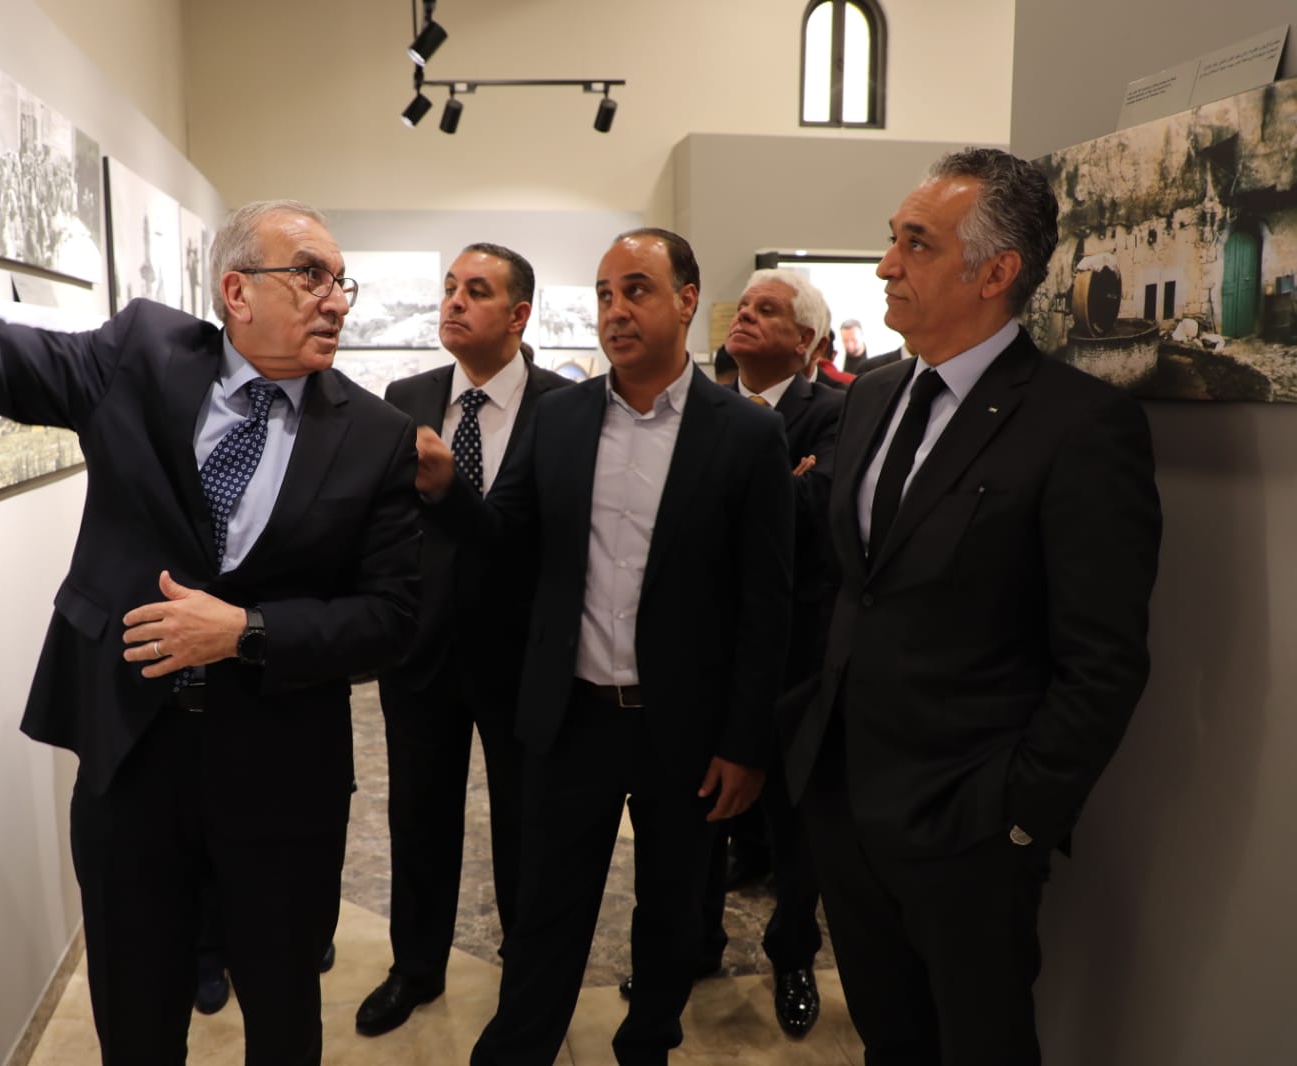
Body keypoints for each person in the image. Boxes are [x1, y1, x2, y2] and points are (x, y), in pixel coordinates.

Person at [0, 14, 421, 1066]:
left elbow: (393, 618)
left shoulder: (373, 436)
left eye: (342, 282)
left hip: (281, 773)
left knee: (284, 1017)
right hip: (131, 758)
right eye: (312, 275)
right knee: (134, 1020)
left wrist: (247, 631)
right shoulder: (139, 358)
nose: (337, 300)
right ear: (236, 291)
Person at [785, 147, 1162, 1064]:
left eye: (916, 244)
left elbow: (1103, 658)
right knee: (889, 1041)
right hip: (843, 800)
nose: (886, 265)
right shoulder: (874, 396)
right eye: (892, 239)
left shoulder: (1080, 425)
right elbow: (851, 581)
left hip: (969, 827)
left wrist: (1017, 818)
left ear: (995, 274)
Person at [417, 227, 795, 1066]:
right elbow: (505, 536)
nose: (615, 310)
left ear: (687, 301)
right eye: (603, 294)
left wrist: (745, 742)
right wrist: (448, 493)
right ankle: (518, 1050)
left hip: (684, 726)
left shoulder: (744, 434)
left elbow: (766, 604)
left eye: (636, 290)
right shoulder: (561, 417)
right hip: (573, 716)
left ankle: (647, 1044)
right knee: (546, 907)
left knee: (671, 909)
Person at [353, 243, 569, 1038]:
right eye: (450, 288)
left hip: (520, 652)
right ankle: (416, 966)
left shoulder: (563, 407)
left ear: (518, 315)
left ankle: (526, 967)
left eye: (477, 291)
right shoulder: (407, 397)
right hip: (420, 650)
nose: (454, 302)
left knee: (526, 822)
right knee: (419, 815)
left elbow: (550, 536)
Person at [684, 268, 845, 1037]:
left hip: (793, 656)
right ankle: (694, 945)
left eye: (766, 310)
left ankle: (792, 956)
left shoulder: (835, 414)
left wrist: (762, 484)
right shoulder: (700, 410)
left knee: (794, 819)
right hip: (704, 654)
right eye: (742, 307)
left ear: (806, 339)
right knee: (697, 815)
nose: (743, 316)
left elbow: (816, 514)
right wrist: (783, 480)